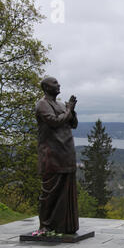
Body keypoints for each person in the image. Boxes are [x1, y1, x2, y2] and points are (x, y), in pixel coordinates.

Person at [35, 76, 79, 234]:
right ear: (46, 88)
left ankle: (64, 225)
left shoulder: (61, 104)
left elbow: (72, 124)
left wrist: (71, 111)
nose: (58, 84)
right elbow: (54, 122)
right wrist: (69, 110)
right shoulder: (42, 104)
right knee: (50, 192)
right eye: (54, 83)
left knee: (65, 191)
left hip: (66, 152)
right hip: (51, 155)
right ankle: (45, 225)